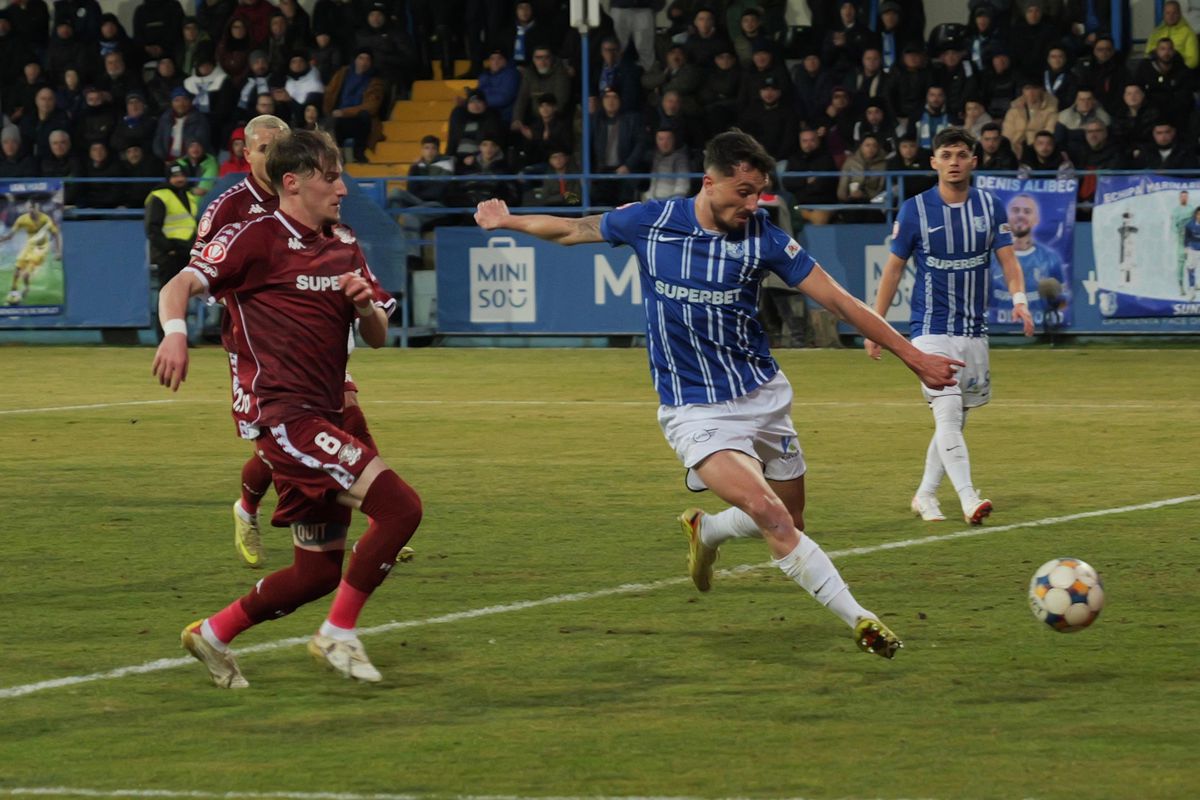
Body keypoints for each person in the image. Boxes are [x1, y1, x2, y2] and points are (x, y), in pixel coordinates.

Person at [474, 129, 968, 659]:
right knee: (771, 514)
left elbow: (841, 301)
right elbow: (574, 229)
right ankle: (862, 619)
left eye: (760, 193)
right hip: (694, 408)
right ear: (710, 183)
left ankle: (707, 532)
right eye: (744, 192)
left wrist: (912, 356)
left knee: (791, 520)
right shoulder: (652, 222)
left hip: (763, 397)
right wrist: (510, 221)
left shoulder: (766, 238)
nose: (754, 204)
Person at [153, 129, 423, 687]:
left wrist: (365, 305)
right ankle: (338, 634)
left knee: (317, 571)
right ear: (294, 182)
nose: (344, 188)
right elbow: (179, 284)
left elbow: (376, 335)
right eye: (332, 177)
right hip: (285, 416)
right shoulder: (254, 237)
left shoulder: (344, 242)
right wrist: (175, 334)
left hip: (325, 410)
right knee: (400, 508)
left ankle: (214, 632)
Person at [865, 127, 1034, 527]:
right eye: (947, 154)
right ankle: (968, 497)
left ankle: (925, 494)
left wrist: (1020, 302)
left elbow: (1009, 263)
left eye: (962, 154)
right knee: (947, 413)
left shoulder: (991, 207)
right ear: (934, 162)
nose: (954, 162)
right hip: (930, 329)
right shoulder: (914, 210)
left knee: (954, 419)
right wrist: (875, 325)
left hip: (974, 332)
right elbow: (892, 271)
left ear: (974, 161)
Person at [992, 193, 1067, 323]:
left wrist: (1054, 298)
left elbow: (1063, 304)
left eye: (1027, 212)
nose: (1021, 215)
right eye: (1015, 210)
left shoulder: (1051, 258)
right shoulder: (991, 256)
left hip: (1037, 331)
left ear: (1036, 219)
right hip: (998, 331)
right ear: (1007, 217)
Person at [145, 162, 200, 336]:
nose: (179, 179)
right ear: (169, 178)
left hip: (185, 252)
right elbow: (152, 228)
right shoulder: (160, 196)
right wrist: (168, 249)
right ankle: (165, 337)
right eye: (175, 176)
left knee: (182, 297)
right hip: (169, 254)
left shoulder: (188, 196)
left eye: (182, 175)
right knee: (168, 295)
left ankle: (180, 336)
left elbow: (189, 224)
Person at [0, 197, 61, 304]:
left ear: (38, 208)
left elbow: (55, 234)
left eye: (35, 208)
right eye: (30, 208)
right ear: (28, 208)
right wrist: (2, 239)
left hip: (41, 248)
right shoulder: (22, 219)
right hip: (29, 246)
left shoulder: (45, 219)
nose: (32, 210)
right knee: (17, 269)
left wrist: (58, 251)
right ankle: (14, 291)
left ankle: (26, 288)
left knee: (26, 275)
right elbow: (11, 235)